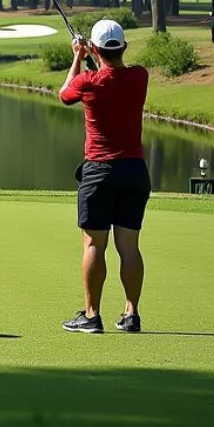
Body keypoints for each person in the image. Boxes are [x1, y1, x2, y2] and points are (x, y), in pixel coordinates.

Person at [57, 19, 150, 334]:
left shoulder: (87, 81)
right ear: (124, 46)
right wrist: (94, 56)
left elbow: (64, 94)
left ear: (95, 49)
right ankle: (131, 314)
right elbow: (113, 71)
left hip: (99, 171)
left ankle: (92, 315)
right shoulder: (140, 77)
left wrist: (77, 56)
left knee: (94, 244)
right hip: (134, 171)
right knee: (129, 246)